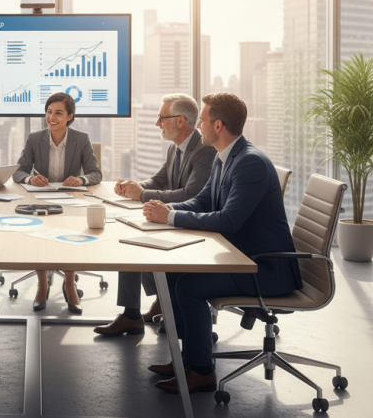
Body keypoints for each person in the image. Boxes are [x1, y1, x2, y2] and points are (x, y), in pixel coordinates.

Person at [142, 92, 302, 394]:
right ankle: (186, 360)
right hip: (243, 256)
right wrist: (169, 212)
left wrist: (171, 219)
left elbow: (228, 221)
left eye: (202, 120)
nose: (198, 125)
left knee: (189, 286)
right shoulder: (225, 156)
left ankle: (201, 372)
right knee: (175, 273)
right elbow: (204, 200)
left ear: (218, 125)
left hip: (264, 267)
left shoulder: (249, 163)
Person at [94, 93, 215, 336]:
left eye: (162, 118)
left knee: (137, 244)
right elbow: (160, 180)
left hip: (191, 224)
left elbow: (191, 194)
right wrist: (133, 186)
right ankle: (134, 314)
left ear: (180, 121)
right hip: (172, 218)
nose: (157, 124)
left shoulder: (204, 150)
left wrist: (141, 195)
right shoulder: (177, 147)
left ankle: (157, 306)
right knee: (128, 239)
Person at [12, 92, 102, 314]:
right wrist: (29, 178)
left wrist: (80, 179)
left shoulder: (81, 139)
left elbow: (95, 173)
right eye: (49, 112)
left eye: (59, 113)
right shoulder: (35, 138)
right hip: (40, 198)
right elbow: (19, 171)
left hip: (69, 199)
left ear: (70, 116)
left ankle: (69, 282)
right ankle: (43, 284)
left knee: (70, 236)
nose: (52, 117)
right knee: (38, 236)